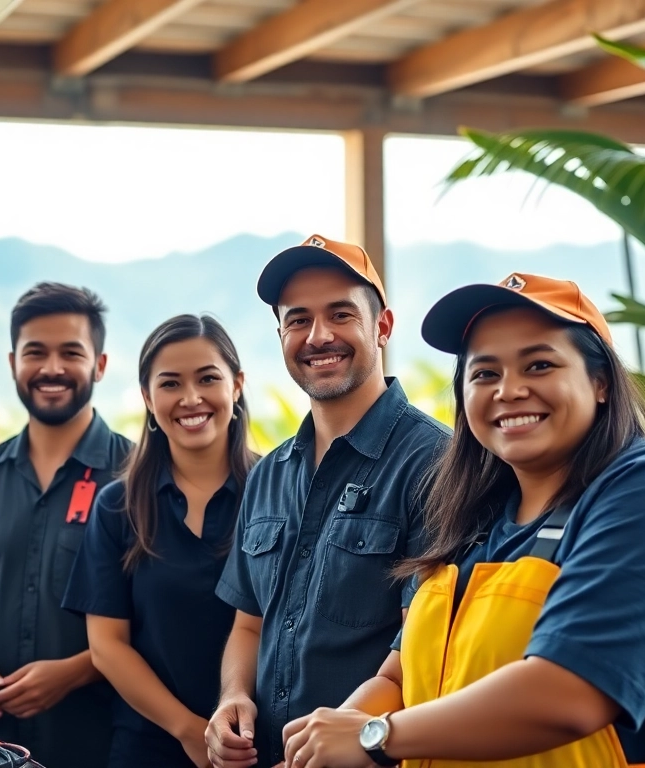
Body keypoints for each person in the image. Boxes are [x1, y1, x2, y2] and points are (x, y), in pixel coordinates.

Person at [279, 273, 645, 768]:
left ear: (600, 382)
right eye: (485, 373)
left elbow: (570, 693)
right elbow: (400, 678)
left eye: (539, 365)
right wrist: (324, 744)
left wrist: (375, 736)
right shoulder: (471, 524)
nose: (509, 390)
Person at [207, 235, 450, 768]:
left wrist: (341, 741)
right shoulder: (269, 473)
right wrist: (232, 698)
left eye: (340, 314)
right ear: (280, 334)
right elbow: (250, 622)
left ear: (382, 326)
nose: (318, 336)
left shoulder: (437, 463)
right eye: (298, 320)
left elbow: (425, 647)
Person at [0, 282, 132, 767]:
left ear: (99, 365)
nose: (52, 368)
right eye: (36, 352)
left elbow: (156, 622)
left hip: (99, 742)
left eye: (70, 353)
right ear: (14, 362)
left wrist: (74, 673)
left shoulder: (136, 475)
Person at [63, 314, 259, 768]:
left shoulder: (279, 491)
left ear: (237, 385)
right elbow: (108, 645)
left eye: (208, 378)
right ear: (149, 399)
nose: (191, 398)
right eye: (170, 384)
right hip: (147, 745)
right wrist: (189, 730)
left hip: (254, 742)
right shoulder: (118, 506)